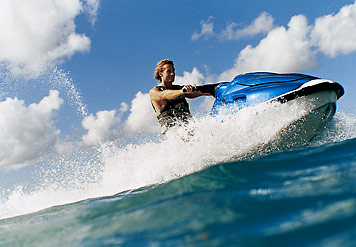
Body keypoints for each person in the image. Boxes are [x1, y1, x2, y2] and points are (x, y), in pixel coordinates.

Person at [149, 59, 217, 134]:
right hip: (172, 133)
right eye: (169, 71)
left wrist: (215, 90)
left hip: (189, 129)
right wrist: (182, 91)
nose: (172, 73)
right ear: (160, 73)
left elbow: (200, 92)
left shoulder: (178, 89)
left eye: (173, 71)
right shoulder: (155, 92)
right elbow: (165, 95)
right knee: (183, 131)